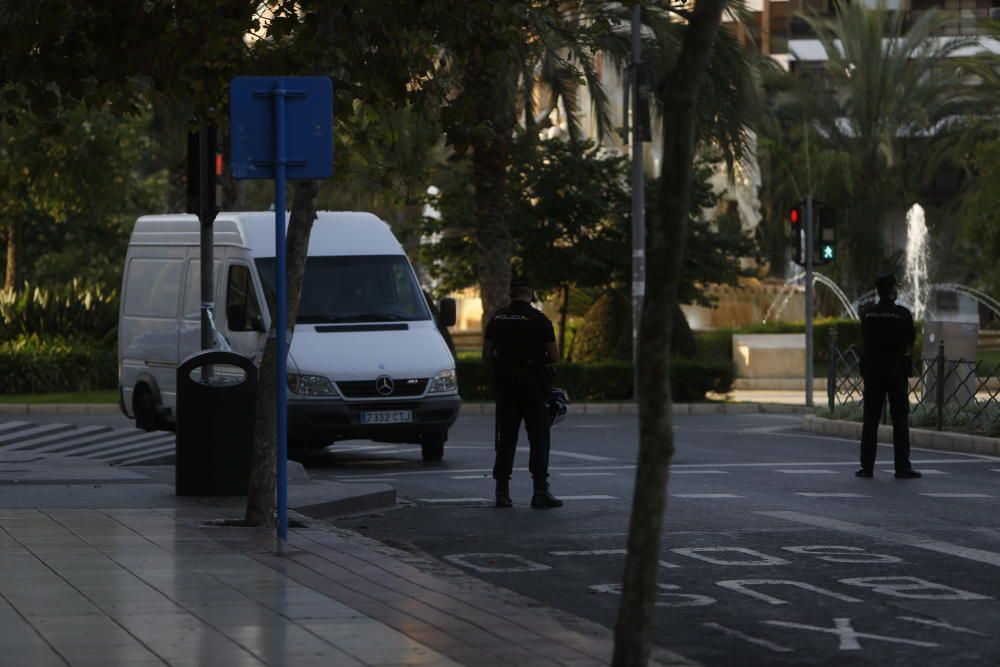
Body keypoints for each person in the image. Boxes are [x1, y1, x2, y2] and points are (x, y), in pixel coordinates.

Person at [483, 275, 562, 508]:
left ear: (510, 293)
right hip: (533, 387)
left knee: (506, 439)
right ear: (531, 294)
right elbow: (554, 356)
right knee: (538, 438)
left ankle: (501, 491)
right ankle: (540, 491)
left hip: (506, 386)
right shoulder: (539, 320)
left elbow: (487, 356)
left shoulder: (497, 318)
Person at [857, 273, 921, 479]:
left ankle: (867, 467)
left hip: (873, 371)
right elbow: (910, 339)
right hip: (895, 371)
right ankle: (902, 467)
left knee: (871, 420)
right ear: (893, 291)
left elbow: (865, 340)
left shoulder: (868, 314)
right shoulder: (902, 314)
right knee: (900, 421)